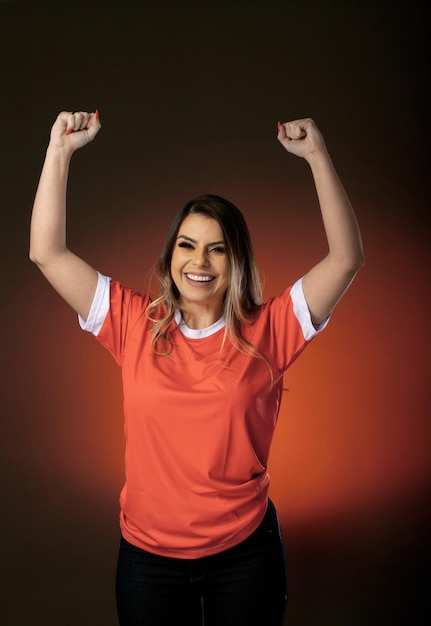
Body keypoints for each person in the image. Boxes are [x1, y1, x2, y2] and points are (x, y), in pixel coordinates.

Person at [29, 110, 364, 626]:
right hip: (148, 558)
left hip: (244, 554)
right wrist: (59, 152)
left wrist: (317, 155)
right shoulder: (132, 322)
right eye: (187, 245)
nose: (199, 261)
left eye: (217, 249)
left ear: (237, 262)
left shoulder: (270, 331)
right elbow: (46, 253)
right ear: (170, 257)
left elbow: (346, 258)